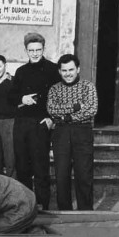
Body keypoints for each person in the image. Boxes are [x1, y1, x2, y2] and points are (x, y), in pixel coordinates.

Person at [8, 32, 60, 210]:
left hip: (41, 123)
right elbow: (12, 96)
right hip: (22, 124)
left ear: (43, 49)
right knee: (22, 166)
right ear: (26, 51)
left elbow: (59, 96)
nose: (35, 53)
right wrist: (22, 99)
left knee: (40, 167)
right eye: (31, 50)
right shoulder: (21, 71)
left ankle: (42, 205)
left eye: (38, 50)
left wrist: (51, 118)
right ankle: (26, 205)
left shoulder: (53, 70)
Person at [46, 54, 98, 211]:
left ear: (78, 69)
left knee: (84, 174)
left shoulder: (88, 87)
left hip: (82, 132)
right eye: (64, 70)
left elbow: (91, 109)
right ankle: (64, 212)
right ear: (60, 71)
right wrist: (76, 107)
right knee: (62, 175)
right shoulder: (55, 89)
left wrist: (66, 117)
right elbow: (52, 109)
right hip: (61, 133)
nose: (68, 73)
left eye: (71, 69)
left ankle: (86, 212)